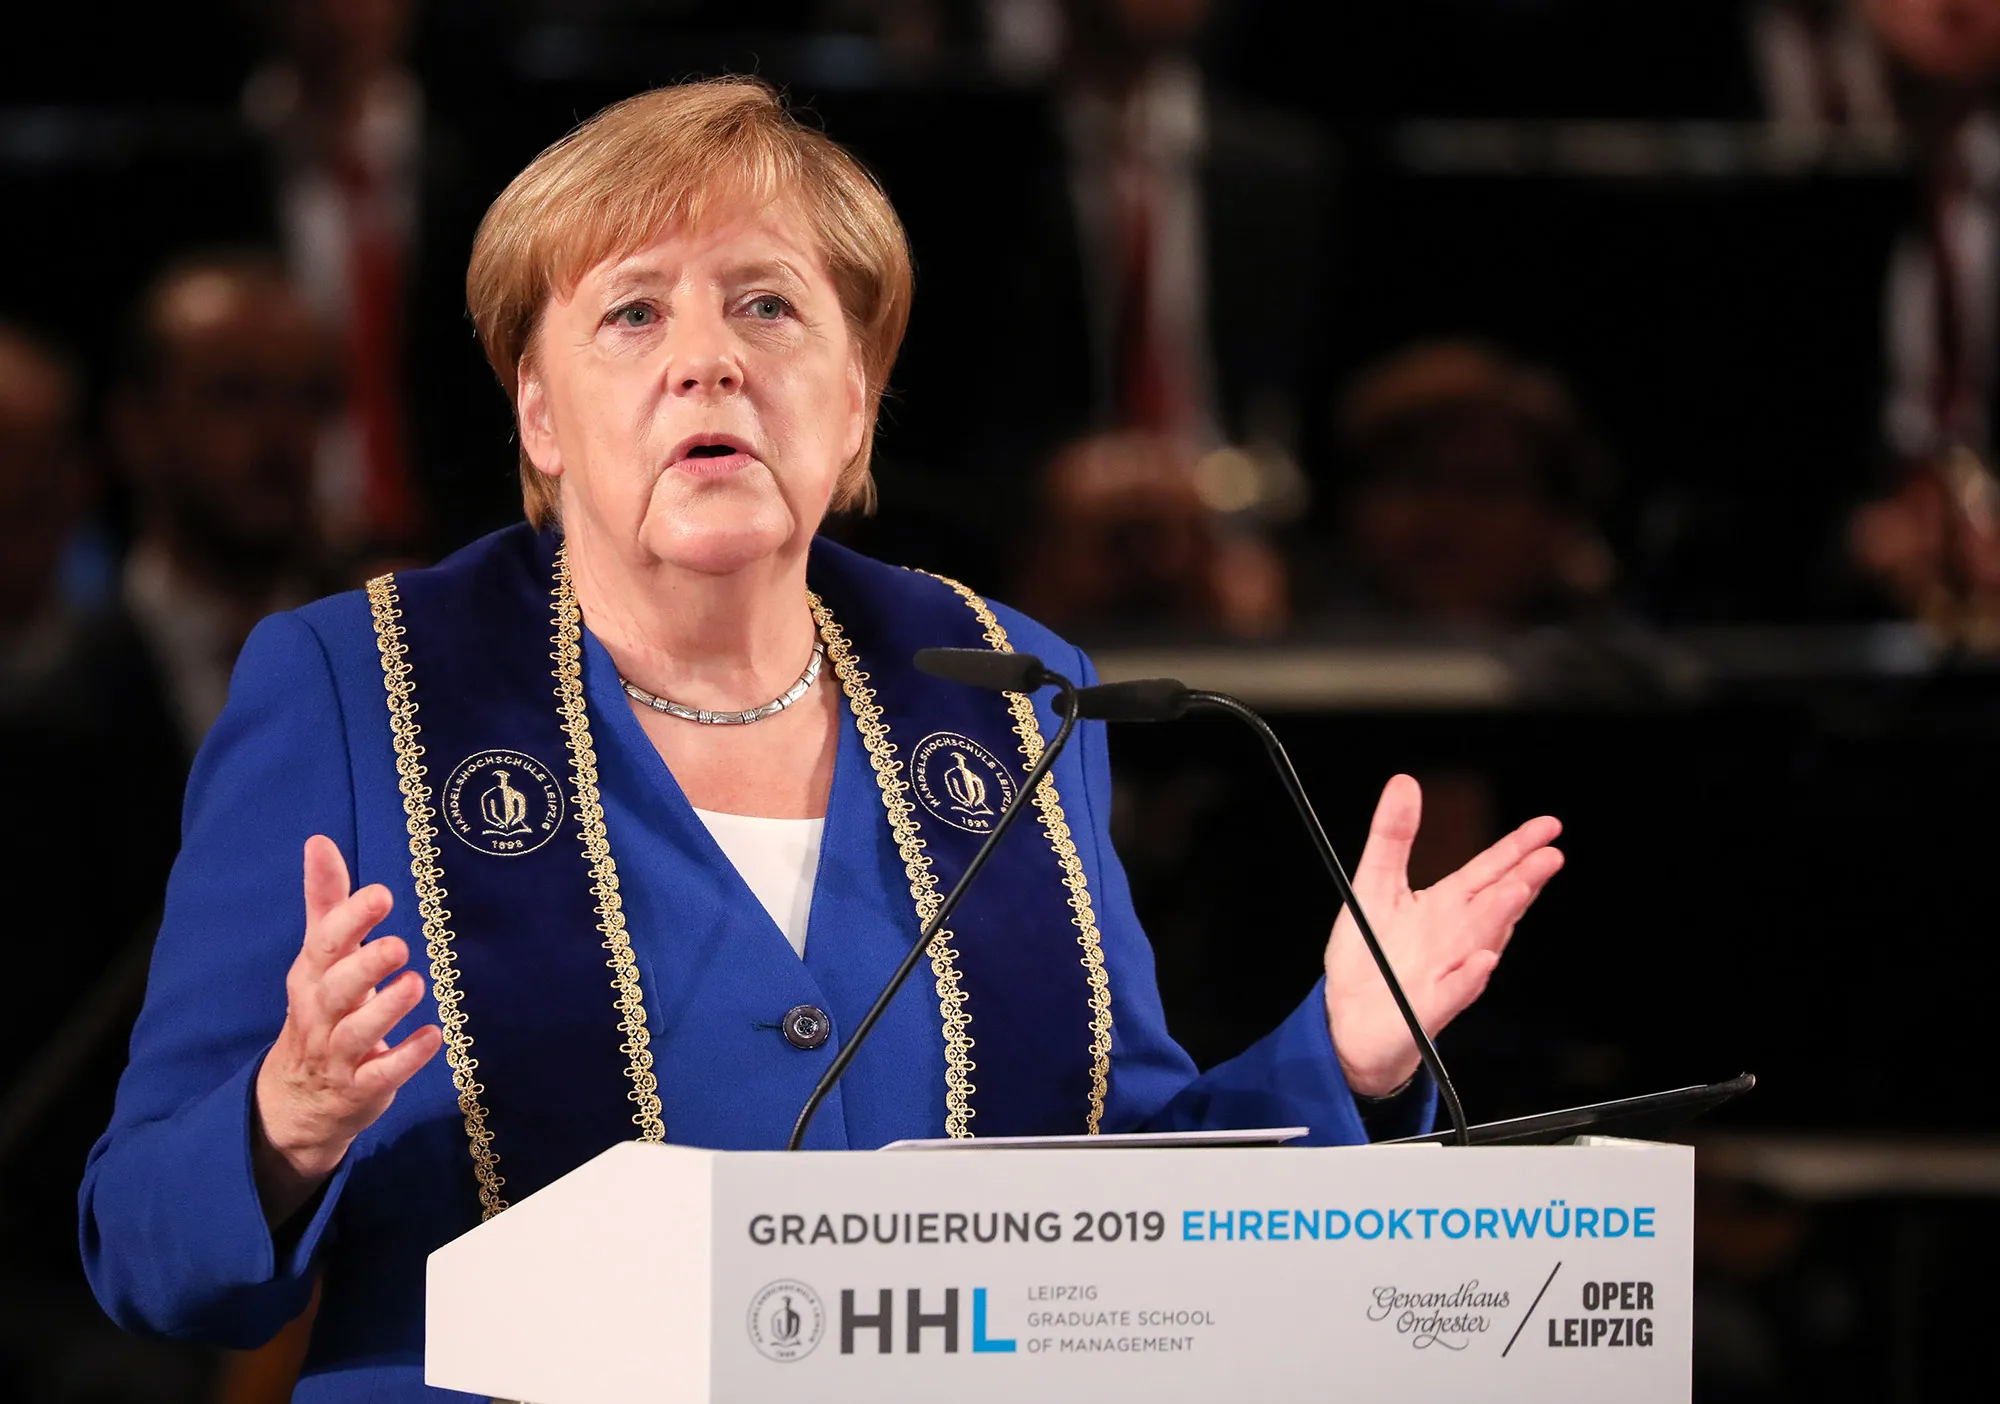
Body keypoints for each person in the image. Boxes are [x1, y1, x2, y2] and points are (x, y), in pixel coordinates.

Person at [81, 80, 1564, 1402]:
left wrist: (1346, 1058)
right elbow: (145, 1252)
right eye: (634, 310)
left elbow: (1127, 1206)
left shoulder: (1006, 691)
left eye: (770, 306)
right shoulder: (356, 687)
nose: (709, 362)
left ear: (855, 401)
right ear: (538, 410)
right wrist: (285, 1118)